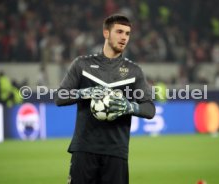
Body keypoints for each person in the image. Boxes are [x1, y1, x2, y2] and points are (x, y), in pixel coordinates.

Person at [54, 14, 155, 184]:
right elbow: (59, 97)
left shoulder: (134, 71)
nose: (124, 37)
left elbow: (149, 108)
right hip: (84, 149)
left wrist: (128, 107)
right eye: (119, 32)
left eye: (128, 34)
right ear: (106, 33)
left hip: (116, 152)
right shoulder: (82, 65)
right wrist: (87, 92)